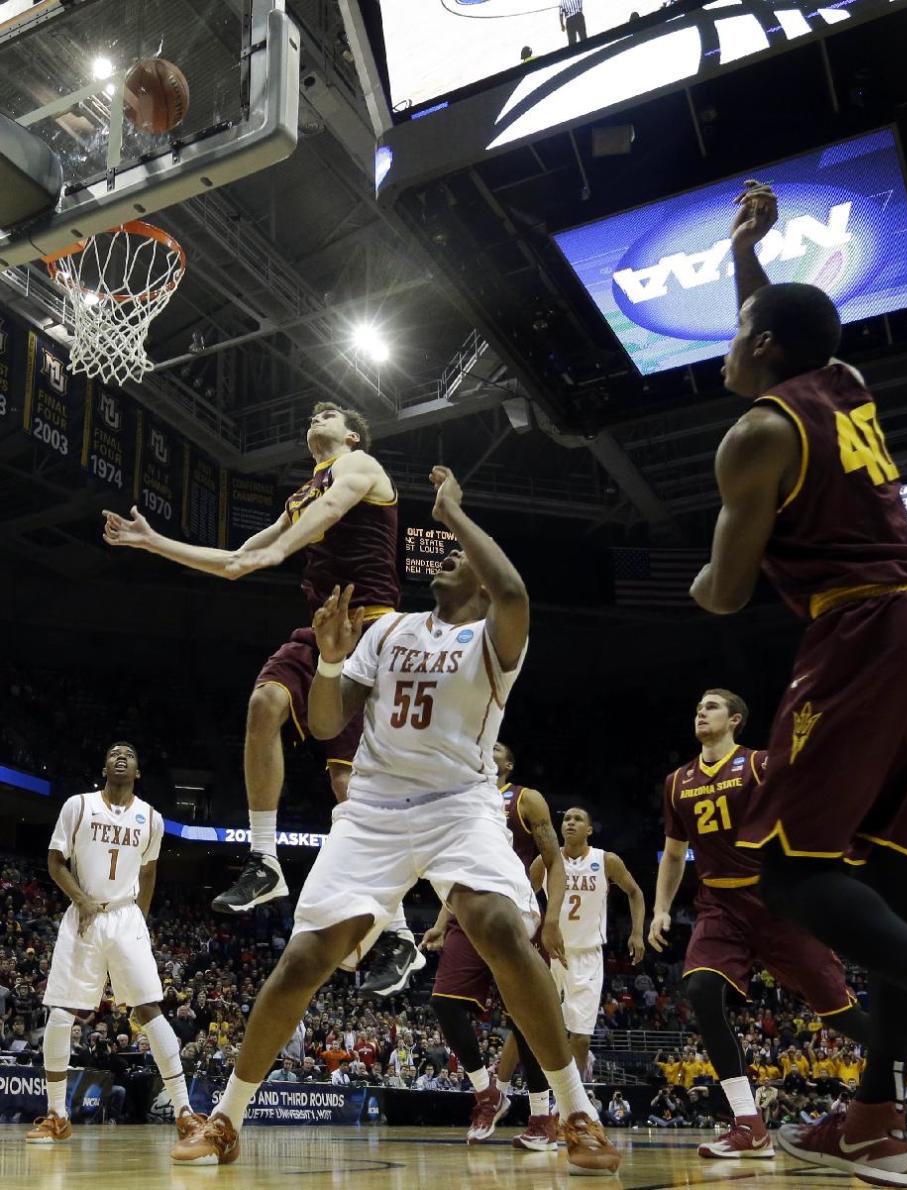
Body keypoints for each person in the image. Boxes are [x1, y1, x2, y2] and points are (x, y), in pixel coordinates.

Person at [170, 466, 621, 1174]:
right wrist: (326, 661)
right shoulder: (390, 632)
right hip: (375, 807)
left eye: (454, 560)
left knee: (502, 926)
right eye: (441, 555)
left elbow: (516, 591)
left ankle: (576, 1113)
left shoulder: (495, 642)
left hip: (458, 807)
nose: (441, 561)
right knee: (304, 959)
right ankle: (225, 1118)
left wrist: (456, 516)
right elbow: (325, 725)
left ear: (479, 580)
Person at [690, 180, 907, 1183]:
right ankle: (879, 1115)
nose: (726, 345)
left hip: (861, 633)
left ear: (758, 347)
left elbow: (722, 594)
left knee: (792, 871)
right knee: (889, 877)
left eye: (737, 332)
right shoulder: (838, 374)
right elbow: (781, 329)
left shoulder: (754, 435)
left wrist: (697, 572)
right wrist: (745, 253)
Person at [101, 405, 421, 996]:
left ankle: (399, 932)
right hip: (324, 629)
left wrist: (272, 553)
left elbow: (298, 534)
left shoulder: (361, 466)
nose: (314, 414)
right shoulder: (301, 494)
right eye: (313, 411)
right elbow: (234, 563)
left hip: (373, 633)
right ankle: (266, 861)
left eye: (330, 411)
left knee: (353, 790)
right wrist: (152, 543)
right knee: (263, 704)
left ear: (350, 433)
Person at [650, 687, 907, 1160]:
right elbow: (675, 853)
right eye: (697, 706)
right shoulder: (677, 781)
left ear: (735, 719)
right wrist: (661, 908)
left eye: (711, 706)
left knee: (840, 1015)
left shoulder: (758, 764)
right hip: (719, 903)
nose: (700, 711)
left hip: (776, 901)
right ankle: (748, 1124)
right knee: (699, 990)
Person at [26, 742, 205, 1147]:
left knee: (149, 1008)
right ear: (105, 766)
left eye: (129, 754)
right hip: (83, 913)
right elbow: (55, 861)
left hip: (126, 917)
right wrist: (82, 899)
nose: (121, 756)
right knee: (62, 1011)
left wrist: (139, 917)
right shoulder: (78, 805)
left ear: (137, 771)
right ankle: (57, 1113)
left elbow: (150, 872)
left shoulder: (152, 818)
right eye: (113, 752)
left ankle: (184, 1111)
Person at [421, 740, 565, 1151]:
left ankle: (542, 1115)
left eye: (498, 746)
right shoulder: (460, 800)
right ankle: (487, 1093)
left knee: (525, 1020)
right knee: (444, 1003)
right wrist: (439, 922)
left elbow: (554, 863)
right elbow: (457, 870)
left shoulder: (526, 800)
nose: (488, 748)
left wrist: (552, 920)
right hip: (467, 916)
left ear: (509, 762)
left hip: (514, 916)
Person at [530, 806, 646, 1075]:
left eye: (577, 819)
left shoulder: (606, 860)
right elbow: (523, 897)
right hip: (550, 953)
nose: (570, 823)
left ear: (589, 830)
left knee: (581, 1038)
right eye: (566, 819)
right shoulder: (545, 861)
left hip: (587, 954)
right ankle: (544, 1097)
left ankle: (575, 1102)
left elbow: (635, 893)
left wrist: (637, 932)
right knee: (540, 1030)